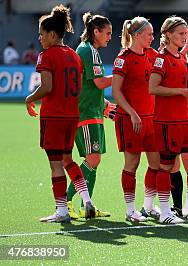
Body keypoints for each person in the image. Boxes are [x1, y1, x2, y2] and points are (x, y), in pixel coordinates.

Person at [26, 4, 96, 222]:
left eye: (42, 34)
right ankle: (86, 198)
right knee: (68, 159)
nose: (40, 38)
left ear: (52, 34)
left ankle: (62, 210)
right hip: (71, 116)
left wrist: (29, 99)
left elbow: (47, 87)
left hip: (54, 116)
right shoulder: (74, 56)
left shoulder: (46, 55)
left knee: (56, 164)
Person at [148, 16, 188, 224]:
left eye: (186, 33)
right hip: (168, 121)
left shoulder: (181, 58)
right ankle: (164, 212)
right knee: (167, 165)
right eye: (181, 33)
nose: (184, 37)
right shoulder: (161, 58)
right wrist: (180, 91)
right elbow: (153, 88)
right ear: (169, 34)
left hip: (186, 120)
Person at [66, 12, 114, 219]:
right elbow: (99, 82)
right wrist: (122, 74)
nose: (110, 37)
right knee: (92, 158)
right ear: (96, 31)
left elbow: (87, 84)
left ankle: (88, 206)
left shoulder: (89, 50)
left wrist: (102, 103)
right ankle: (66, 201)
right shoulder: (88, 51)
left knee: (94, 159)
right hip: (85, 113)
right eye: (108, 33)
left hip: (92, 111)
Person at [113, 16, 160, 223]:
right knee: (132, 164)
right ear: (138, 35)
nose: (152, 37)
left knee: (156, 163)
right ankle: (131, 209)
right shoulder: (123, 58)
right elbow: (116, 91)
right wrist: (132, 112)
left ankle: (148, 206)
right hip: (130, 120)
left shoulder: (153, 54)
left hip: (152, 119)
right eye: (149, 34)